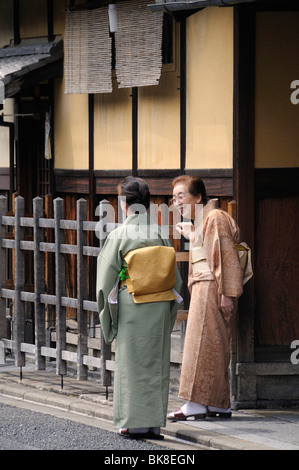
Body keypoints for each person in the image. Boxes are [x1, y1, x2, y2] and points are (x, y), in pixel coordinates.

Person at [96, 176, 182, 439]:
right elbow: (175, 279)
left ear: (124, 204)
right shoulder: (159, 234)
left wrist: (108, 320)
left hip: (132, 305)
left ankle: (131, 423)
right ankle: (154, 424)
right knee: (155, 362)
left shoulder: (120, 234)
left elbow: (104, 282)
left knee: (131, 364)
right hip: (158, 306)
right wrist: (168, 314)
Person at [168, 175, 243, 420]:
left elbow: (226, 257)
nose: (176, 202)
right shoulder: (206, 220)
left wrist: (228, 293)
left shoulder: (215, 217)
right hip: (206, 286)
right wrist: (193, 234)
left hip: (213, 287)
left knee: (202, 345)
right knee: (210, 345)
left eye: (181, 196)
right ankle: (218, 403)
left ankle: (197, 404)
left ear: (198, 197)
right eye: (174, 197)